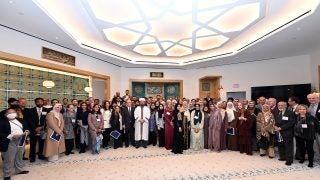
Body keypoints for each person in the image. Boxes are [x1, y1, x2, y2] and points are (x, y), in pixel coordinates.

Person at [0, 108, 29, 180]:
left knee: (19, 156)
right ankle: (7, 175)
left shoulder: (21, 120)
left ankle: (19, 170)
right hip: (9, 141)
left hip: (21, 140)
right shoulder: (2, 122)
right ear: (5, 115)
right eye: (9, 113)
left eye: (13, 112)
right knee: (9, 158)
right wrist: (11, 136)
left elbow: (27, 129)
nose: (12, 114)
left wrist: (27, 133)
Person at [27, 98, 48, 162]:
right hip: (34, 129)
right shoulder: (30, 110)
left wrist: (41, 127)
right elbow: (29, 120)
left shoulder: (47, 110)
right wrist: (35, 128)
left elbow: (47, 120)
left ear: (43, 102)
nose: (40, 103)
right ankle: (32, 157)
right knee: (33, 144)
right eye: (38, 102)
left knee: (42, 143)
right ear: (35, 103)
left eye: (41, 102)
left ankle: (40, 155)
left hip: (42, 129)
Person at [274, 101, 295, 166]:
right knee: (280, 145)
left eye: (282, 105)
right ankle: (282, 157)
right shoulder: (277, 112)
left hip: (287, 132)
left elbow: (291, 123)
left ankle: (289, 160)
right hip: (278, 132)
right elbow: (275, 121)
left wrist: (281, 128)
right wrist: (275, 126)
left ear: (285, 106)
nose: (280, 106)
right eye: (279, 105)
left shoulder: (290, 113)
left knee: (288, 146)